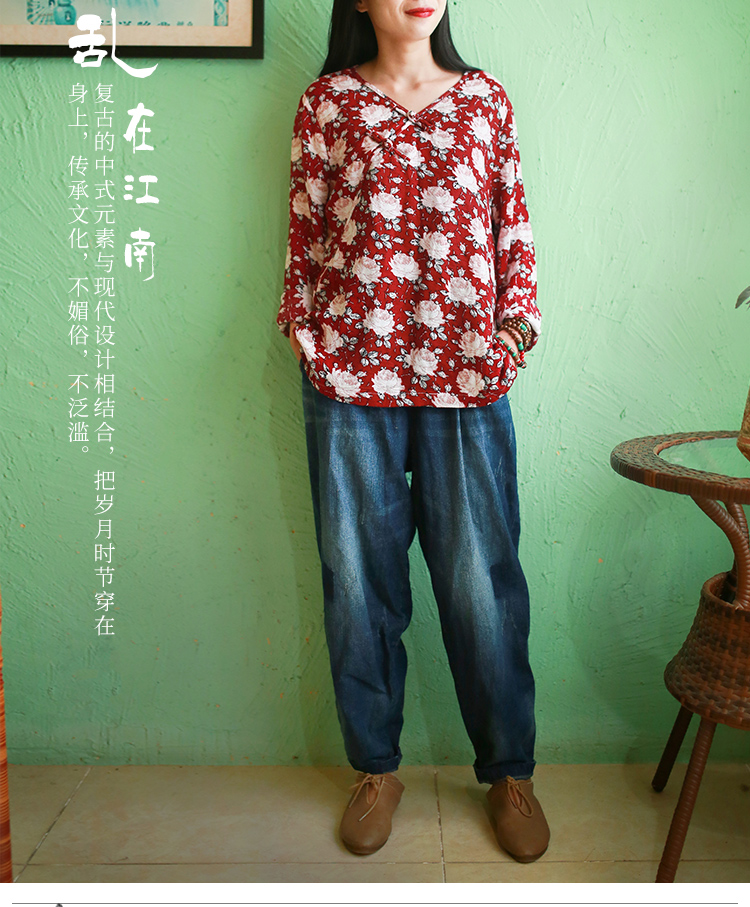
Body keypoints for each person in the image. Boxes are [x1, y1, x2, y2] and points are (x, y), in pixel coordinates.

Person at [276, 0, 549, 863]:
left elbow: (513, 231)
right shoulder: (327, 103)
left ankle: (509, 771)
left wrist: (512, 336)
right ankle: (376, 768)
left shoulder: (484, 100)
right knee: (358, 581)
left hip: (468, 379)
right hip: (349, 377)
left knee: (481, 582)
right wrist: (306, 334)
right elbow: (305, 234)